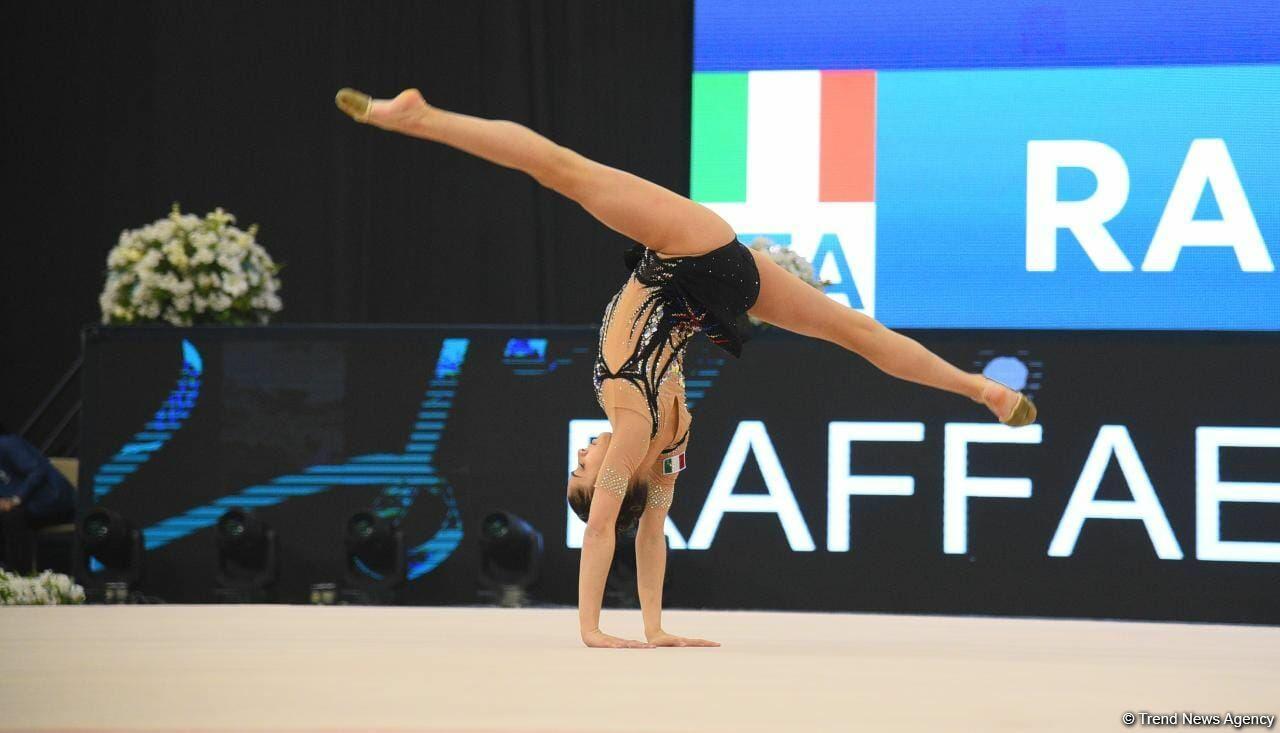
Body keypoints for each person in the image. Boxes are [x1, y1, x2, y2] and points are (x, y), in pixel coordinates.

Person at [335, 88, 1036, 648]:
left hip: (716, 288)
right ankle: (421, 118)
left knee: (855, 332)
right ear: (613, 477)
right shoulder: (635, 428)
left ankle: (983, 390)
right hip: (685, 255)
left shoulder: (667, 439)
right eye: (582, 469)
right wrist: (590, 627)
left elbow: (649, 530)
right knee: (563, 169)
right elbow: (609, 528)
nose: (580, 455)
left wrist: (654, 626)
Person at [0, 423, 76, 574]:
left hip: (50, 502)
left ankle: (20, 576)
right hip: (25, 507)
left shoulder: (7, 444)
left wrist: (16, 499)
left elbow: (37, 471)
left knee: (12, 518)